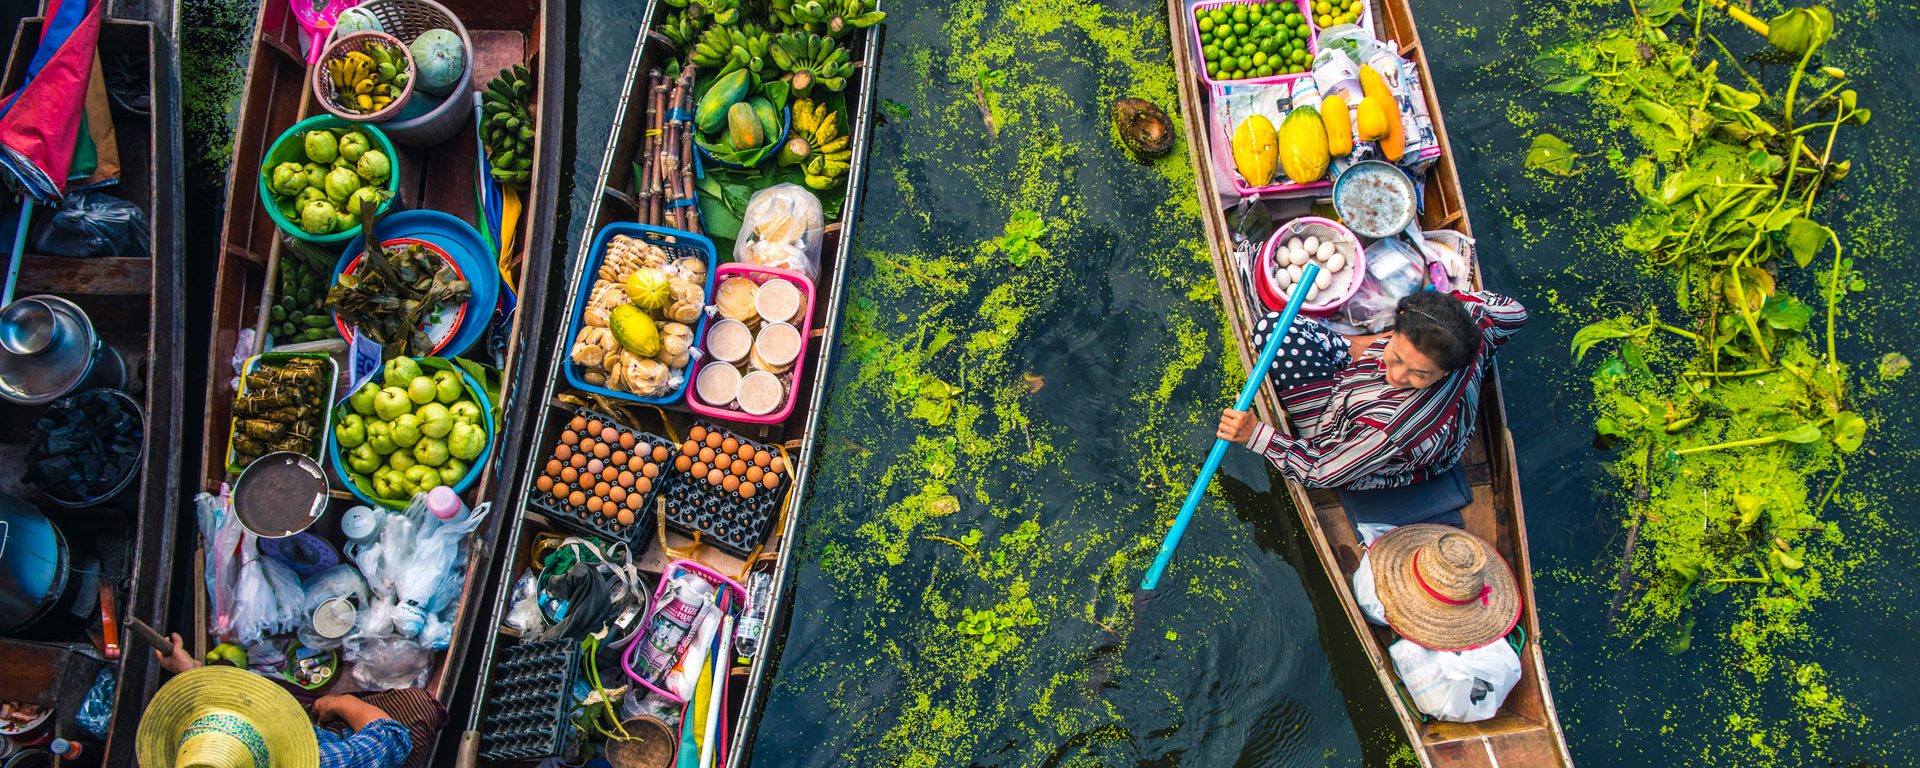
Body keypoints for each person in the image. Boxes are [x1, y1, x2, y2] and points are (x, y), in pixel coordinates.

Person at [1216, 289, 1527, 491]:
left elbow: (1321, 470)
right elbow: (1514, 311)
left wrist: (1255, 434)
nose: (1397, 376)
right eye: (1397, 356)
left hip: (1354, 445)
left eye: (1419, 374)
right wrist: (1446, 310)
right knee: (1276, 327)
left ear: (1446, 370)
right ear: (1398, 326)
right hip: (1360, 387)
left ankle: (1314, 426)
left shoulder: (1392, 428)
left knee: (1276, 336)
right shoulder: (1474, 324)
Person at [144, 633, 446, 768]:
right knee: (418, 708)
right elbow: (390, 741)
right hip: (347, 746)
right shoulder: (316, 762)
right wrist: (336, 704)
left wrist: (189, 672)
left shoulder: (196, 759)